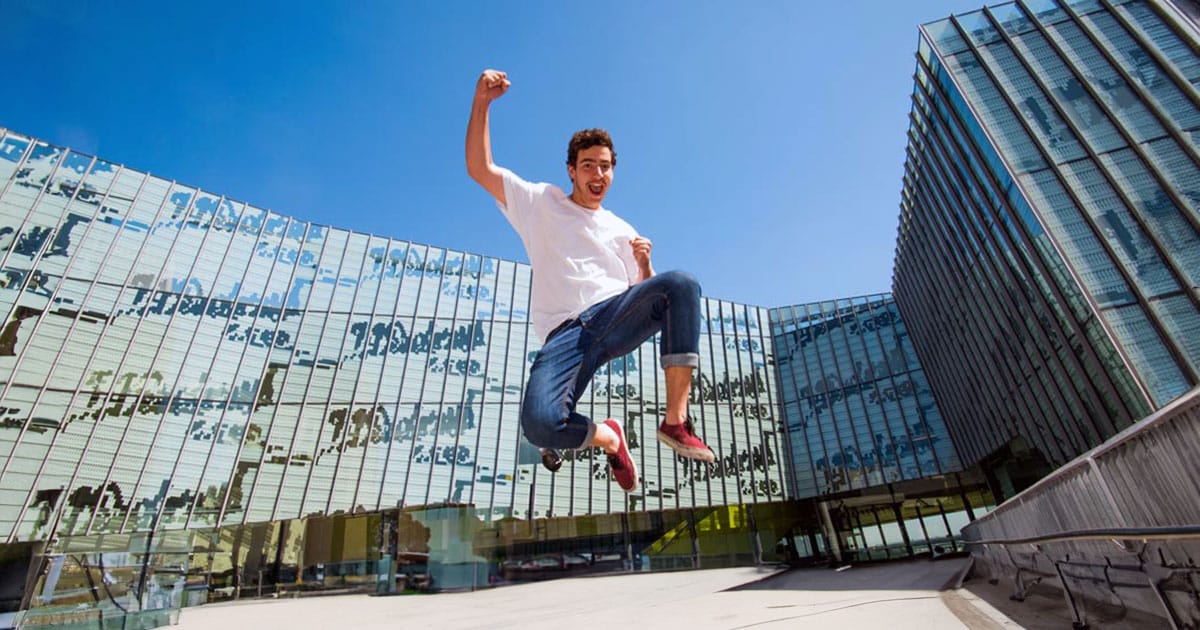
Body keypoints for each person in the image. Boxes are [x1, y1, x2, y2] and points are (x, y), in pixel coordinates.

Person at [465, 69, 714, 494]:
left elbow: (649, 295)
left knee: (682, 284)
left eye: (605, 167)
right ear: (571, 171)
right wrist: (482, 103)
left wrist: (646, 264)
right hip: (564, 336)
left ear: (613, 172)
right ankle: (610, 438)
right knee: (541, 425)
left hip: (612, 317)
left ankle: (675, 422)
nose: (597, 175)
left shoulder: (621, 227)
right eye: (588, 167)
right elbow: (479, 168)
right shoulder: (540, 201)